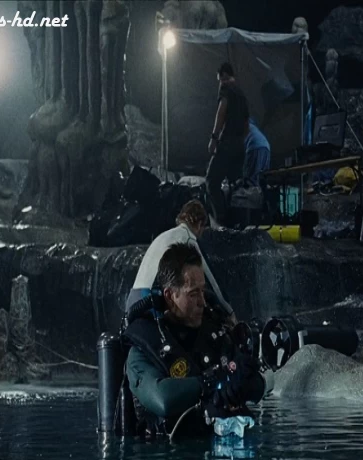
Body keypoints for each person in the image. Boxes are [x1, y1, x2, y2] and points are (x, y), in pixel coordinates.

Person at [123, 243, 272, 437]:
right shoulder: (143, 349)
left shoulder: (213, 330)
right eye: (193, 294)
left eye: (202, 291)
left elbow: (258, 384)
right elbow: (163, 399)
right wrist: (212, 382)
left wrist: (241, 376)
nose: (202, 301)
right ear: (170, 296)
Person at [128, 199, 237, 327]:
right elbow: (213, 283)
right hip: (151, 300)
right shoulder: (188, 237)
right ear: (200, 224)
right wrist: (230, 312)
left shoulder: (165, 235)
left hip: (134, 299)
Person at [207, 62, 250, 227]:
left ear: (224, 76)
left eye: (219, 79)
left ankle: (221, 221)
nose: (219, 83)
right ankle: (236, 223)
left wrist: (214, 138)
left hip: (227, 144)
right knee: (235, 186)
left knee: (212, 181)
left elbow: (221, 112)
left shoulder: (226, 89)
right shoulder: (242, 94)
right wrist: (240, 141)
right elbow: (247, 126)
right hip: (240, 146)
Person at [243, 118, 270, 187]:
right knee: (263, 176)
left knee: (250, 180)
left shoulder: (240, 126)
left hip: (254, 146)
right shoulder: (252, 126)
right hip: (266, 146)